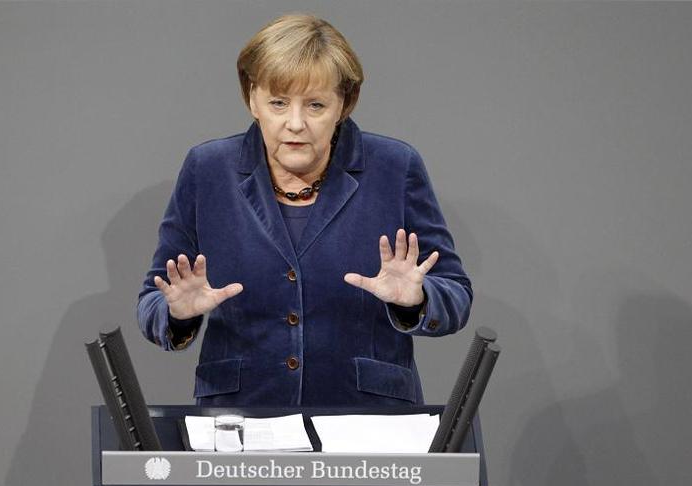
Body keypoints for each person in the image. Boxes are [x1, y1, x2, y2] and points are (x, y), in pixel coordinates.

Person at [138, 13, 472, 406]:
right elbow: (152, 300)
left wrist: (417, 300)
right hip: (244, 416)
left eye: (315, 105)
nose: (295, 123)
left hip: (368, 418)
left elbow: (455, 293)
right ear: (252, 98)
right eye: (278, 103)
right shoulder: (207, 170)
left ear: (343, 103)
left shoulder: (395, 167)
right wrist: (177, 314)